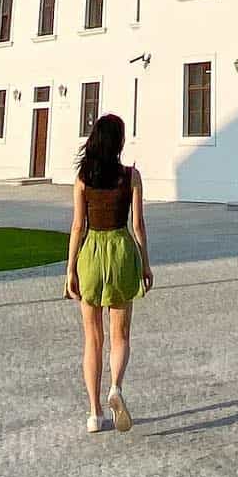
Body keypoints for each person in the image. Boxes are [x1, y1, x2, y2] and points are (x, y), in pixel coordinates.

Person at [65, 113, 154, 434]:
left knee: (92, 338)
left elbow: (78, 225)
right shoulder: (131, 176)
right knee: (121, 335)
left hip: (90, 255)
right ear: (118, 142)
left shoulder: (83, 177)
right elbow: (138, 225)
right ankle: (115, 387)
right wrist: (145, 264)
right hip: (120, 251)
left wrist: (70, 268)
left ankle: (94, 413)